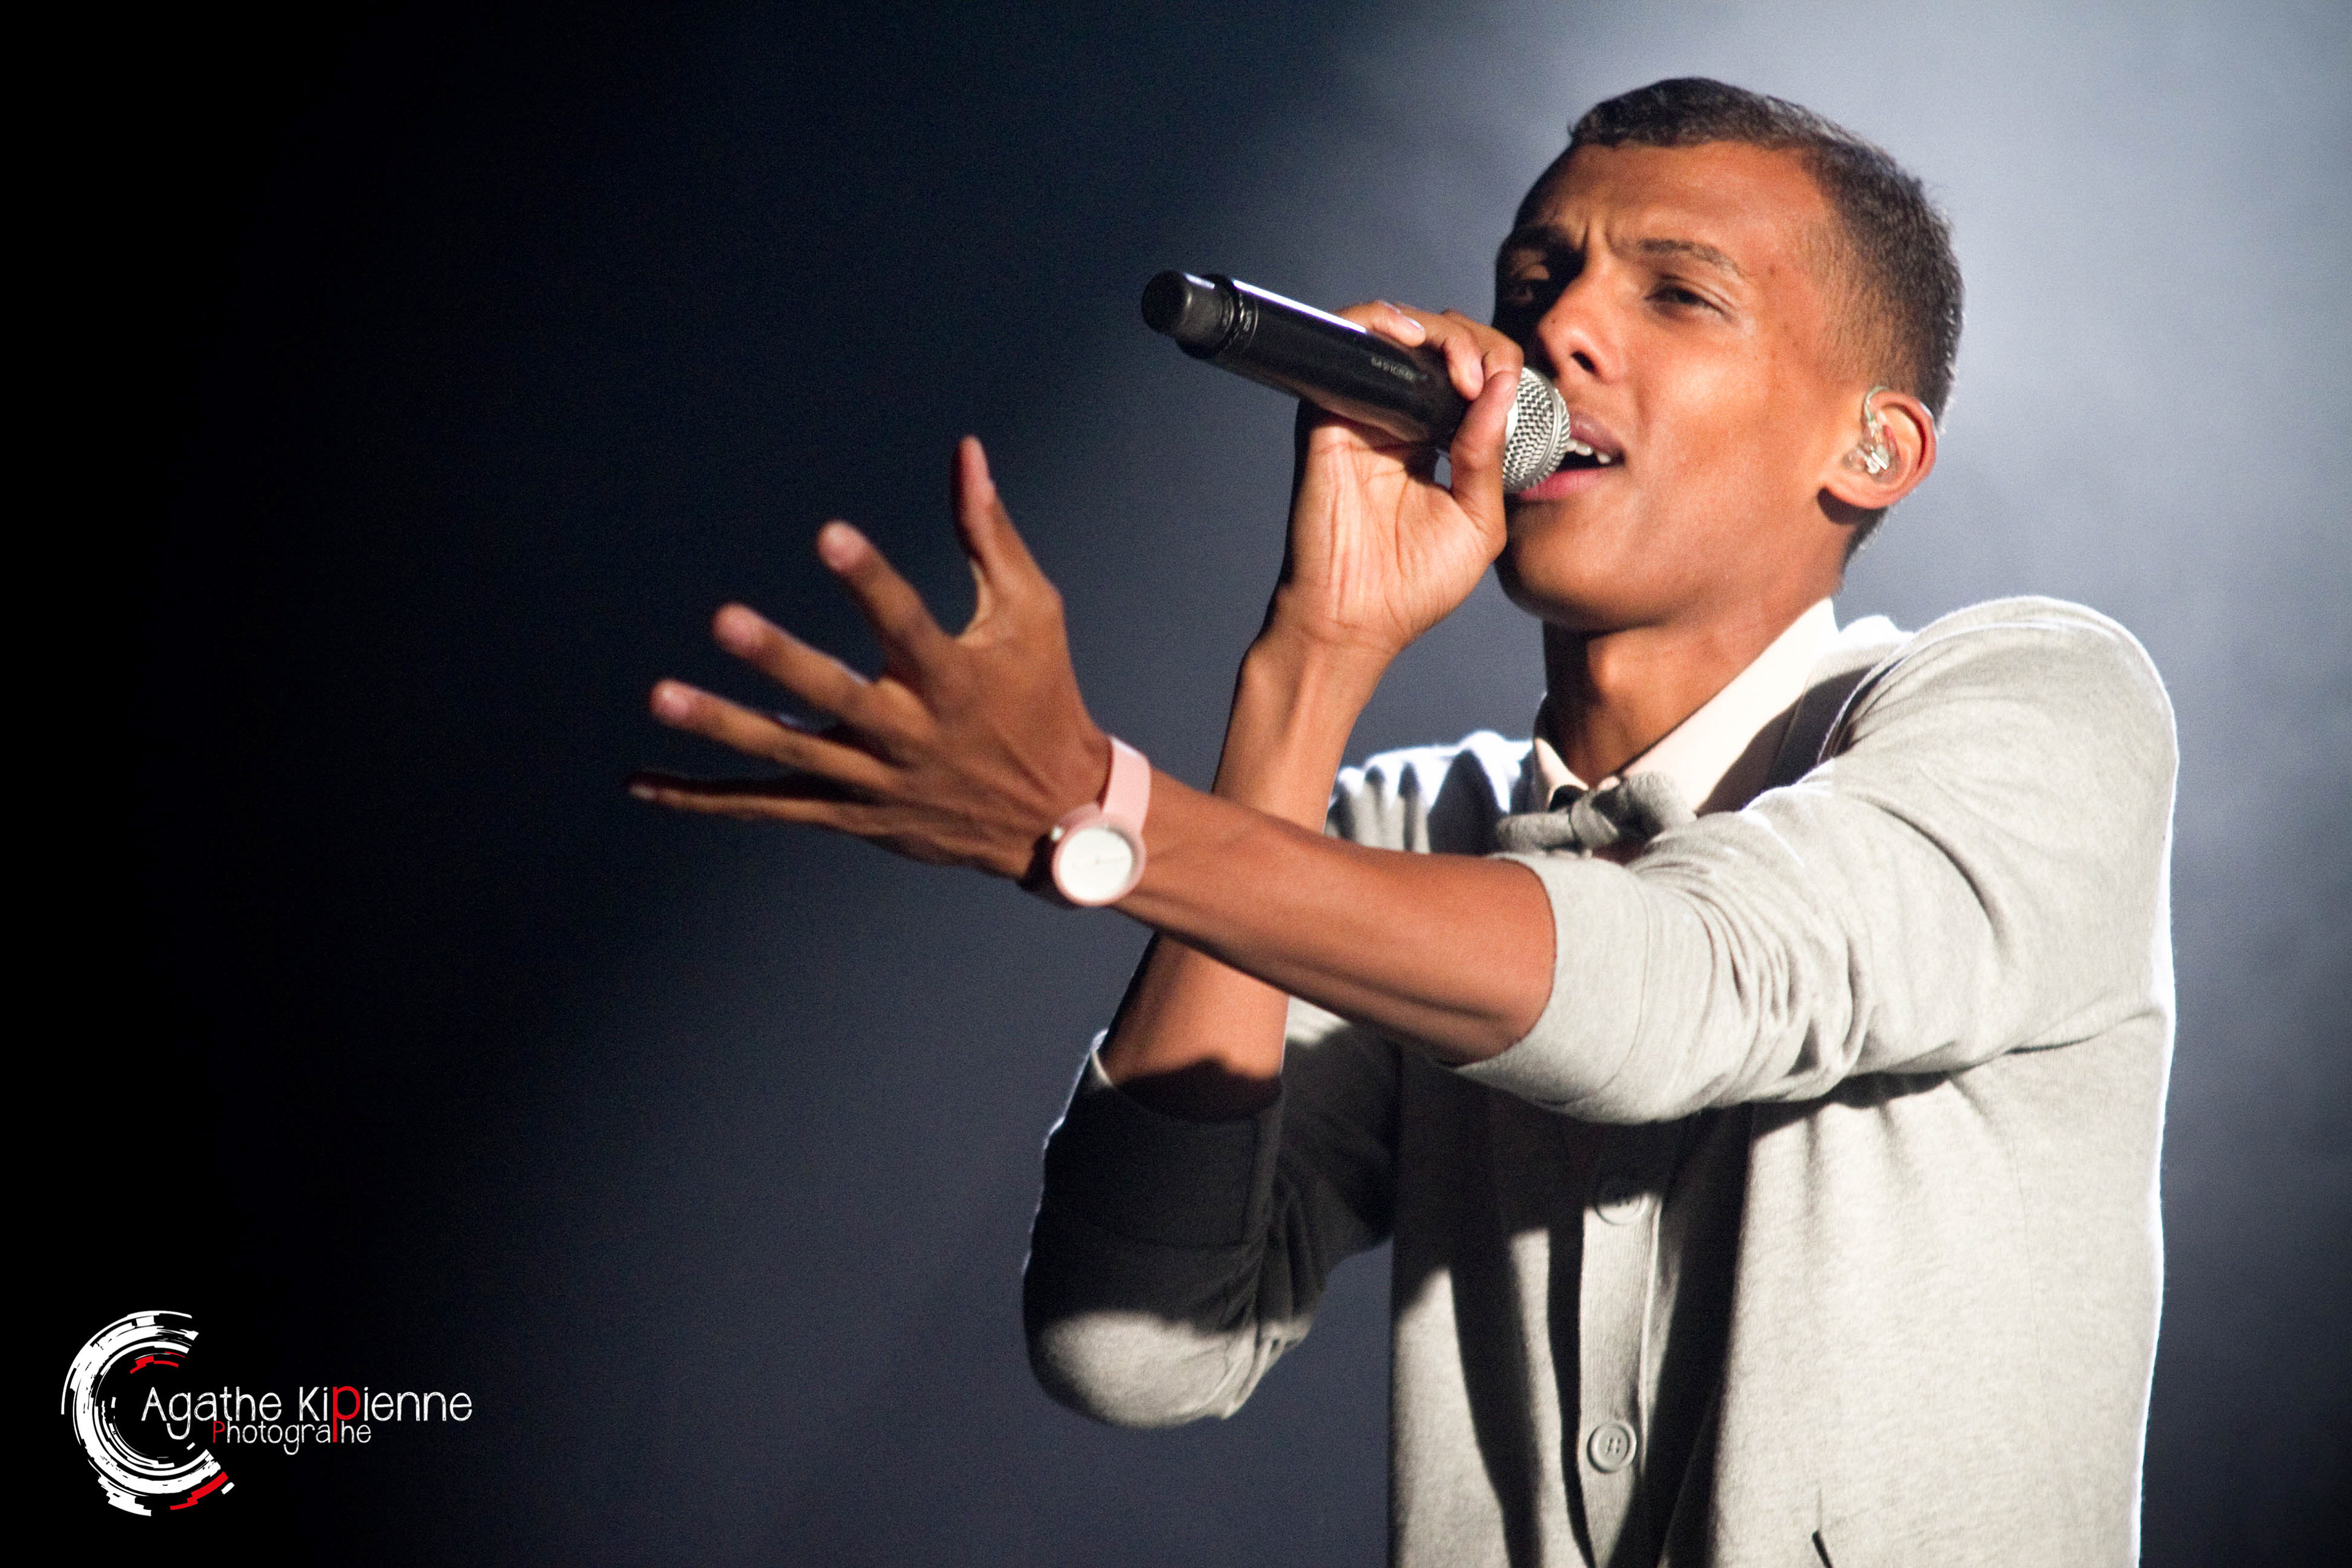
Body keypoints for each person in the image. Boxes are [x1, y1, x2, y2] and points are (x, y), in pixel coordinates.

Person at [634, 78, 2174, 1568]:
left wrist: (1107, 815)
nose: (1558, 328)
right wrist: (1310, 669)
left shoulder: (2039, 704)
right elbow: (1136, 1343)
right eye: (1535, 278)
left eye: (1676, 296)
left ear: (1875, 447)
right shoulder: (1385, 836)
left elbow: (1686, 987)